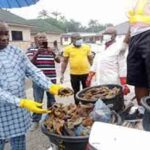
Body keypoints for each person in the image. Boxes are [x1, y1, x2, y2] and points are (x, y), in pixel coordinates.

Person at [0, 22, 72, 150]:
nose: (4, 38)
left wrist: (51, 87)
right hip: (3, 111)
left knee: (19, 144)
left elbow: (33, 71)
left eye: (6, 34)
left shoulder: (16, 52)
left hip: (17, 114)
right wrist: (21, 102)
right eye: (0, 35)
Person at [26, 32, 61, 131]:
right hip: (38, 80)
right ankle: (36, 121)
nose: (42, 39)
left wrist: (53, 52)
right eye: (40, 37)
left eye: (44, 37)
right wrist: (38, 52)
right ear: (36, 39)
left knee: (52, 100)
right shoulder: (31, 50)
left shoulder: (51, 49)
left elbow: (58, 60)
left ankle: (51, 119)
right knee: (38, 101)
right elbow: (29, 63)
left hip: (51, 79)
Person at [86, 26, 130, 96]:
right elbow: (96, 63)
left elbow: (122, 67)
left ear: (114, 35)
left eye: (108, 33)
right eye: (105, 33)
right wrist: (90, 76)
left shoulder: (119, 47)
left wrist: (124, 83)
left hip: (112, 83)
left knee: (113, 102)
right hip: (99, 81)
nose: (105, 35)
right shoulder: (101, 48)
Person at [60, 33, 93, 105]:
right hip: (74, 74)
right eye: (77, 39)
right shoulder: (67, 49)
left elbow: (90, 59)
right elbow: (65, 62)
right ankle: (77, 106)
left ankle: (87, 106)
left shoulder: (87, 47)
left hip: (86, 73)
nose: (79, 40)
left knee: (87, 91)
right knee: (76, 91)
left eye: (80, 38)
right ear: (72, 40)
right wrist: (62, 73)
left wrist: (93, 70)